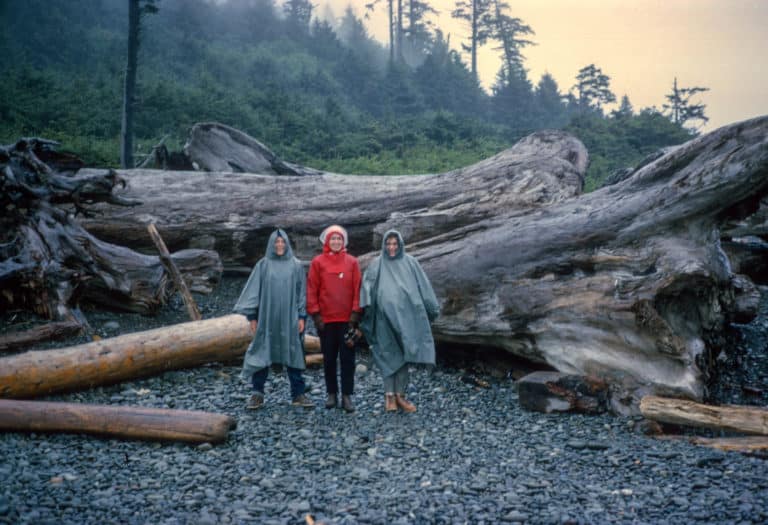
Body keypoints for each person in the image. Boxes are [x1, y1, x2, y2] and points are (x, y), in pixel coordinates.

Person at [233, 229, 314, 410]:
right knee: (263, 350)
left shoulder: (296, 265)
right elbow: (254, 292)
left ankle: (298, 393)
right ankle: (257, 394)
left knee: (293, 350)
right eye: (276, 242)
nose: (279, 245)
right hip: (266, 317)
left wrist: (302, 316)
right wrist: (252, 316)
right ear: (271, 244)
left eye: (282, 242)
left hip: (289, 317)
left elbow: (301, 293)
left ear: (287, 244)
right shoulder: (263, 265)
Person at [360, 230, 439, 413]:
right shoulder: (376, 264)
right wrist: (364, 315)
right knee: (387, 355)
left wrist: (432, 310)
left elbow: (424, 287)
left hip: (407, 319)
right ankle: (389, 397)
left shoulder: (411, 263)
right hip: (382, 320)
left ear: (400, 244)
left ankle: (401, 396)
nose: (392, 247)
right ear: (384, 245)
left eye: (395, 244)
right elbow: (366, 290)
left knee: (404, 356)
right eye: (388, 244)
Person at [307, 224, 362, 413]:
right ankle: (332, 393)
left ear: (343, 241)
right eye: (333, 239)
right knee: (329, 359)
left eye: (339, 239)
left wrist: (355, 314)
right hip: (326, 321)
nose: (336, 242)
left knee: (348, 360)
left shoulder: (352, 262)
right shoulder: (317, 262)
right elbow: (312, 289)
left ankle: (347, 396)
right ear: (327, 241)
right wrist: (316, 315)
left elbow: (358, 289)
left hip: (347, 321)